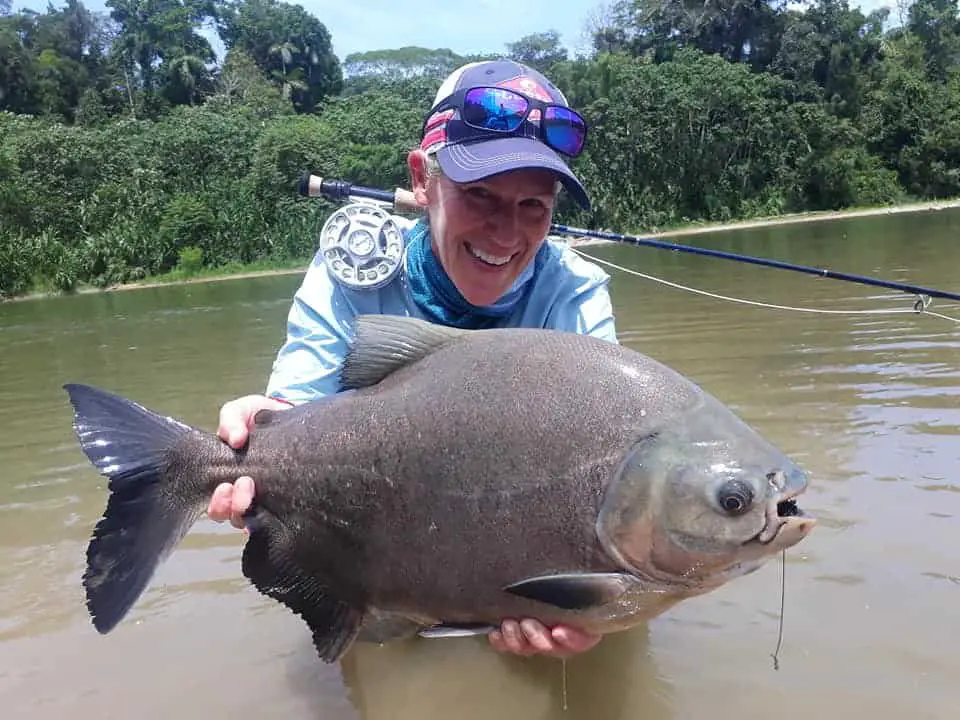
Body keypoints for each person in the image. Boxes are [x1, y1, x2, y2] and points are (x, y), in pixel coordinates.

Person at [207, 58, 619, 659]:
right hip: (382, 568)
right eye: (480, 195)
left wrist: (601, 608)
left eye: (534, 205)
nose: (506, 233)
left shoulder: (574, 292)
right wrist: (260, 428)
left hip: (521, 579)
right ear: (422, 180)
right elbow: (297, 409)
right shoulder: (353, 275)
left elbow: (604, 468)